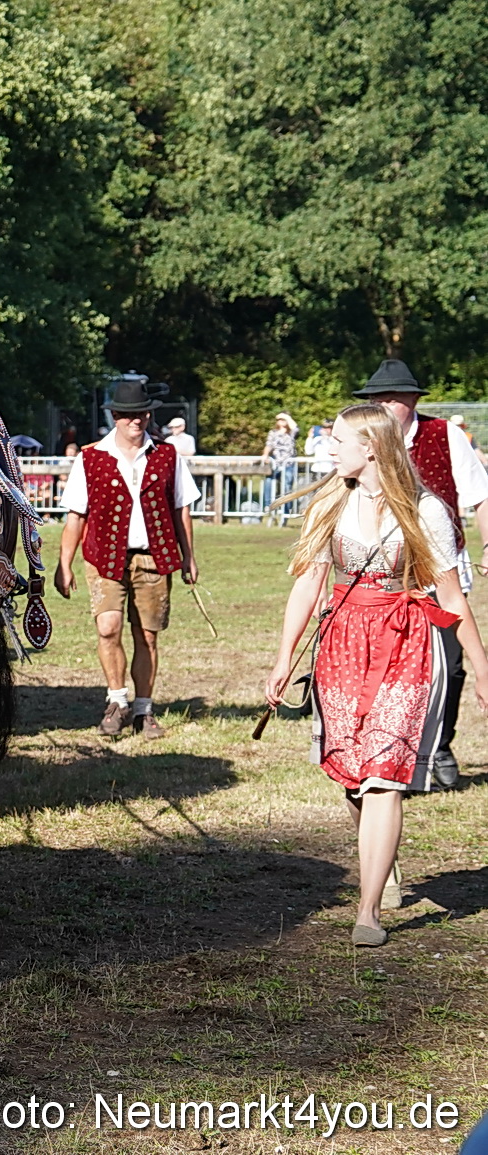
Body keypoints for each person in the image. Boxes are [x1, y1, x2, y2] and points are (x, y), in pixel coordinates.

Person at [265, 404, 488, 946]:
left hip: (406, 643)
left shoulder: (425, 510)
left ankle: (368, 912)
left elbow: (452, 598)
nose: (329, 448)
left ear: (370, 448)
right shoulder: (329, 504)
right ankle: (380, 863)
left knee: (385, 772)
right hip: (343, 642)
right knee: (353, 774)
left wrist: (483, 671)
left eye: (338, 440)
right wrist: (282, 656)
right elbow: (309, 585)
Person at [354, 359, 488, 789]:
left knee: (448, 664)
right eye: (377, 399)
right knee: (391, 665)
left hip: (440, 570)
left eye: (393, 397)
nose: (385, 405)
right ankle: (395, 755)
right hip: (383, 575)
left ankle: (440, 745)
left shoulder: (445, 435)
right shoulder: (361, 441)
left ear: (413, 400)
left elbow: (480, 495)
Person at [54, 377, 201, 737]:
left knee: (147, 636)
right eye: (127, 414)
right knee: (108, 628)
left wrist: (189, 557)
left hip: (153, 556)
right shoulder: (91, 457)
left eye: (142, 415)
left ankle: (143, 709)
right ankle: (117, 700)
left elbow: (181, 509)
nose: (135, 421)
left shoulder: (168, 456)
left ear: (149, 416)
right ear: (115, 416)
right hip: (103, 556)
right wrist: (64, 564)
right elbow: (76, 517)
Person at [260, 412, 299, 509]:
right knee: (269, 482)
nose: (282, 421)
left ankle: (286, 509)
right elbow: (269, 445)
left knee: (286, 486)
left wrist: (286, 416)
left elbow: (296, 428)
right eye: (280, 419)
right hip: (275, 463)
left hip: (289, 463)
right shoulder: (273, 432)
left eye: (284, 419)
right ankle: (268, 505)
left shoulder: (291, 433)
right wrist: (265, 455)